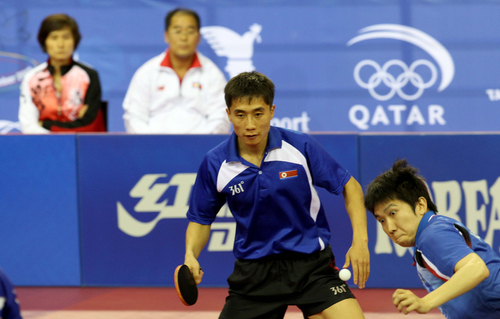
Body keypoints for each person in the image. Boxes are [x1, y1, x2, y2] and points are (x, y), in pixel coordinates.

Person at [184, 71, 369, 318]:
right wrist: (190, 255)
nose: (250, 125)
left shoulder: (299, 146)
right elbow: (201, 219)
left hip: (311, 267)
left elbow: (350, 187)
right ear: (228, 114)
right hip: (255, 274)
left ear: (271, 111)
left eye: (258, 114)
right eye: (240, 115)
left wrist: (360, 242)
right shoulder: (216, 163)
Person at [364, 159, 500, 318]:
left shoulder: (431, 235)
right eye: (381, 220)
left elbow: (476, 268)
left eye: (393, 213)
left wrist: (426, 302)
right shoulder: (434, 228)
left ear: (420, 205)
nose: (389, 228)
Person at [122, 8, 230, 134]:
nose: (184, 37)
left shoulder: (212, 74)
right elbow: (134, 117)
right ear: (166, 36)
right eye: (177, 31)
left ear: (199, 37)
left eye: (190, 31)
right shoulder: (147, 72)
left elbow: (221, 117)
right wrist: (150, 145)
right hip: (153, 148)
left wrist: (200, 145)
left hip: (200, 148)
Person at [19, 13, 105, 133]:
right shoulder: (32, 78)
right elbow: (28, 125)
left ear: (74, 41)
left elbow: (90, 125)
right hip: (43, 145)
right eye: (54, 38)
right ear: (44, 42)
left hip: (83, 147)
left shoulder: (89, 75)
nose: (60, 45)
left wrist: (46, 124)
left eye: (66, 37)